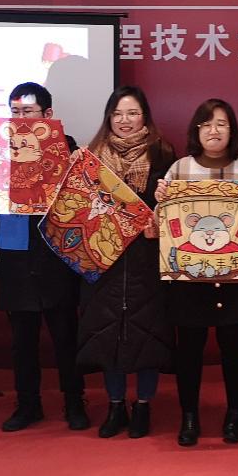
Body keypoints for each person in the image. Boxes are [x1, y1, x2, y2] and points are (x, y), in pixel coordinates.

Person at [155, 98, 238, 447]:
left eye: (221, 124)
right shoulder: (180, 169)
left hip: (232, 277)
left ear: (232, 131)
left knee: (234, 348)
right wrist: (161, 200)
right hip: (189, 278)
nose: (214, 131)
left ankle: (235, 416)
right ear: (196, 130)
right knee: (189, 349)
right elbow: (162, 225)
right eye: (206, 124)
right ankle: (189, 416)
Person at [76, 86, 176, 439]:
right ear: (109, 118)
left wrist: (159, 214)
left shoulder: (164, 154)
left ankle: (144, 405)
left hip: (147, 261)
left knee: (147, 335)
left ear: (145, 116)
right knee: (108, 335)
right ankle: (115, 405)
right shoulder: (92, 157)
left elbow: (175, 210)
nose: (124, 120)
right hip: (104, 260)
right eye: (117, 114)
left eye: (132, 113)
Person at [0, 82, 89, 432]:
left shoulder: (69, 149)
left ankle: (74, 401)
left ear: (48, 115)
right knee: (22, 339)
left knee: (65, 333)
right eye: (15, 112)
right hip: (15, 251)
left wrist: (78, 168)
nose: (20, 118)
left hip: (56, 251)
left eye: (28, 111)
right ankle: (27, 404)